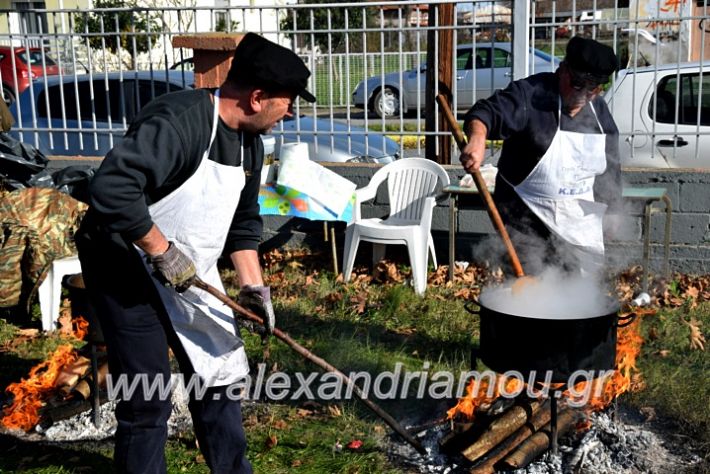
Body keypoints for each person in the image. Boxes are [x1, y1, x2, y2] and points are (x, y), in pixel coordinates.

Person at [76, 32, 316, 474]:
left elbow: (244, 225)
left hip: (190, 267)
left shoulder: (250, 142)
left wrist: (252, 288)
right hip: (122, 264)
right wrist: (161, 251)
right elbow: (111, 187)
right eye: (288, 101)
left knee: (220, 373)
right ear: (257, 97)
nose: (291, 112)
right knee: (148, 396)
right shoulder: (179, 120)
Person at [459, 36, 622, 275]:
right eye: (578, 85)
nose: (585, 95)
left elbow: (610, 166)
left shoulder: (599, 113)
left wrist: (615, 210)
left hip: (577, 226)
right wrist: (477, 138)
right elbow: (485, 112)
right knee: (529, 297)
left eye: (593, 89)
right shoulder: (530, 94)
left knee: (578, 297)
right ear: (563, 70)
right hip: (525, 225)